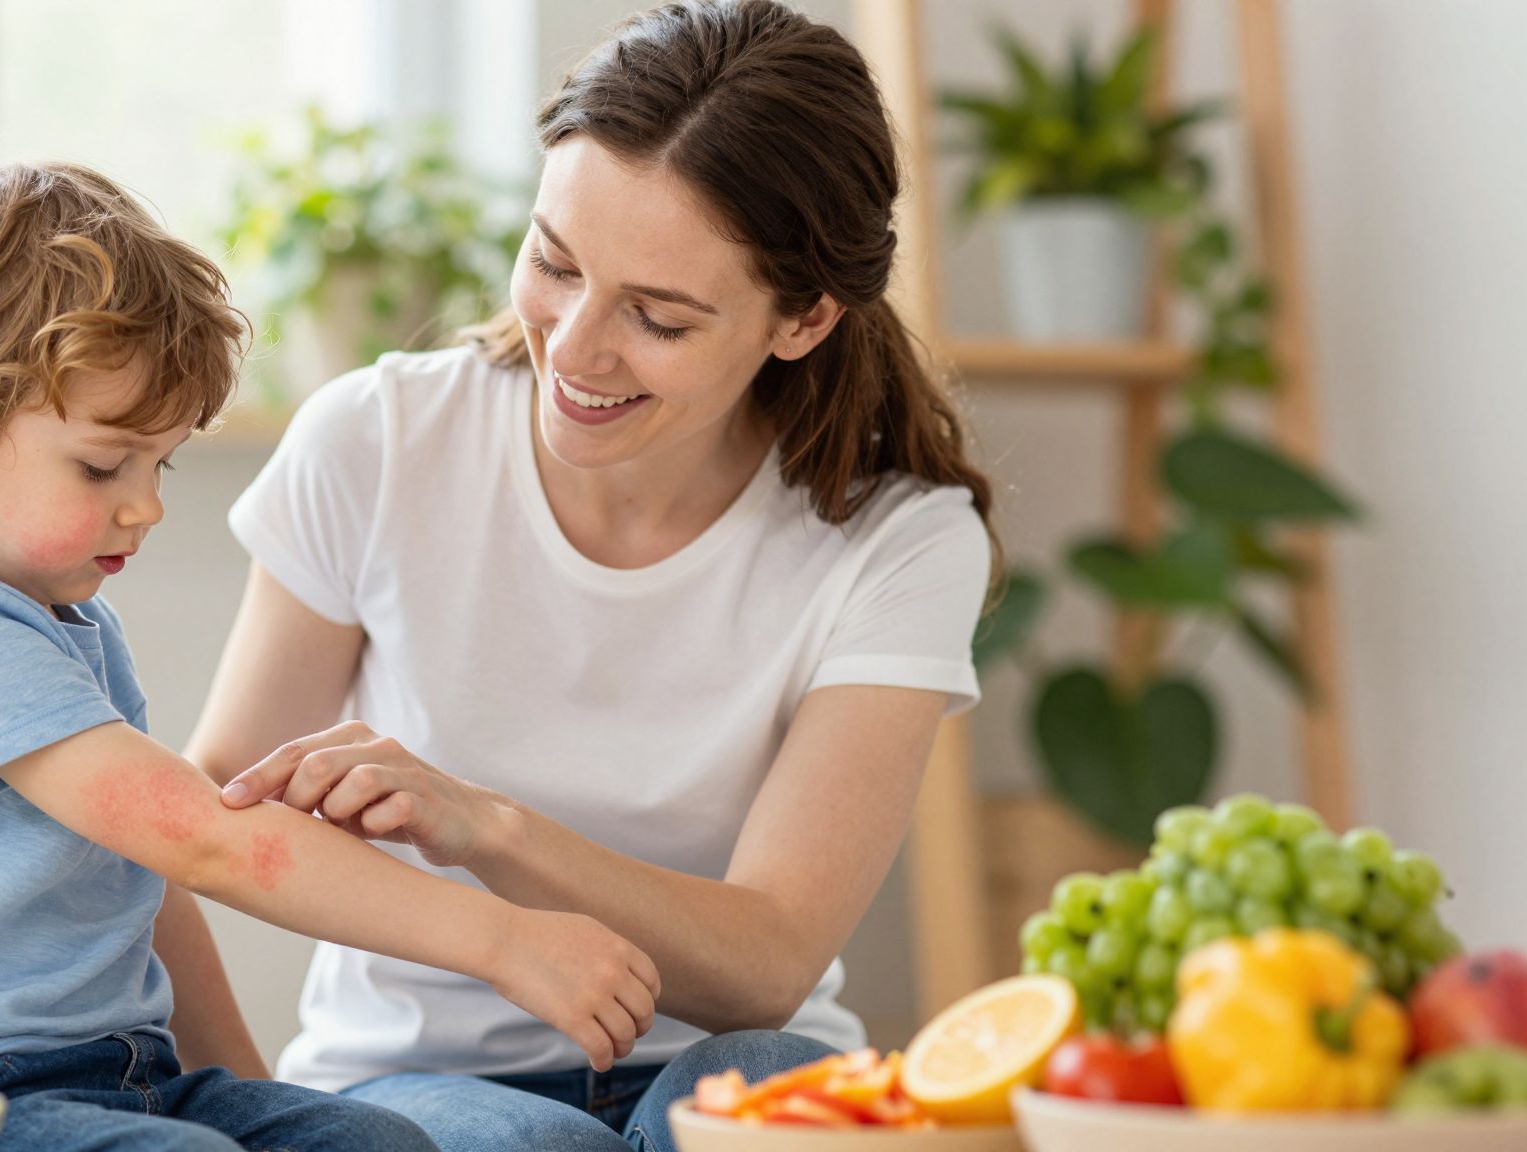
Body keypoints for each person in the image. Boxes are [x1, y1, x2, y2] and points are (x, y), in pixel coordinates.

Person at [181, 3, 1001, 1149]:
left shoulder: (897, 538)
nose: (571, 347)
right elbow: (212, 809)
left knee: (767, 1100)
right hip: (415, 1076)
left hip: (722, 1049)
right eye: (552, 262)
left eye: (656, 317)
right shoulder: (380, 438)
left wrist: (488, 832)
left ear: (804, 317)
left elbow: (766, 963)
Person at [0, 160, 659, 1152]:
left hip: (113, 1073)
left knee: (371, 1145)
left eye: (160, 464)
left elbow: (151, 883)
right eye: (104, 466)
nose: (144, 505)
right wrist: (500, 938)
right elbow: (207, 838)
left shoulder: (65, 626)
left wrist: (261, 1100)